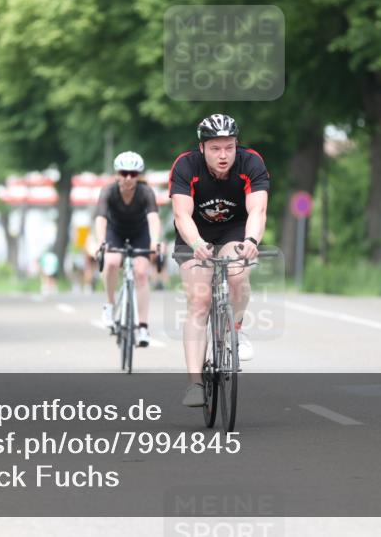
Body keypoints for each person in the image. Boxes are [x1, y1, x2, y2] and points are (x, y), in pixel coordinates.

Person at [169, 114, 269, 407]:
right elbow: (181, 215)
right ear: (202, 148)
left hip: (234, 230)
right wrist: (198, 244)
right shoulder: (186, 166)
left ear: (237, 144)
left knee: (237, 275)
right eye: (215, 148)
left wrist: (251, 242)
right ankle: (194, 384)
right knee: (199, 302)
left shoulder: (251, 163)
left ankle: (235, 329)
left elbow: (258, 211)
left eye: (229, 147)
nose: (223, 155)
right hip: (194, 233)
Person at [95, 151, 161, 347]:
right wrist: (101, 242)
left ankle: (142, 327)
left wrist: (155, 241)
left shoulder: (146, 192)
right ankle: (109, 304)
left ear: (139, 175)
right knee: (112, 261)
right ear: (117, 174)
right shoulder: (108, 191)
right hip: (115, 232)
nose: (128, 178)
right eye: (124, 173)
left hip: (139, 233)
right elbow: (100, 218)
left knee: (141, 272)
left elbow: (153, 218)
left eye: (133, 174)